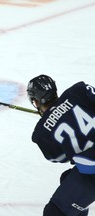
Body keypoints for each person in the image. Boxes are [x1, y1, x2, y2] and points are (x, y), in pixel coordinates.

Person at [27, 74, 95, 216]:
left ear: (36, 101)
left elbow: (59, 157)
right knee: (67, 178)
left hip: (92, 168)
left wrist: (52, 121)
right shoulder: (78, 90)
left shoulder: (41, 133)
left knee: (55, 212)